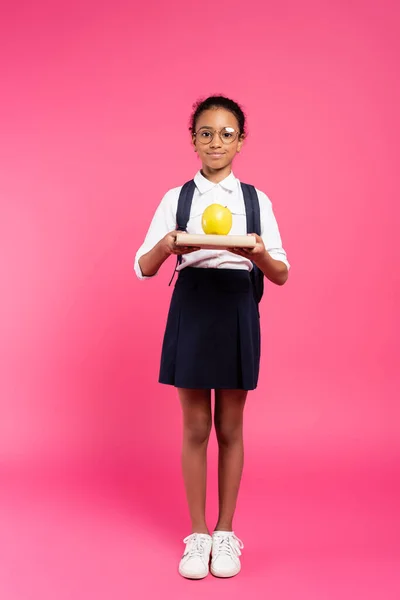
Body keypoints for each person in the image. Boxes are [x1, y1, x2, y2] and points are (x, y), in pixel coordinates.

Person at [134, 95, 290, 579]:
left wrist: (259, 253)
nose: (216, 141)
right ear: (193, 140)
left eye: (227, 133)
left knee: (230, 426)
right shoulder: (175, 199)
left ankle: (225, 533)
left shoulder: (255, 201)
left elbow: (281, 272)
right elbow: (143, 266)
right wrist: (169, 242)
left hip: (237, 305)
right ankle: (197, 533)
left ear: (241, 141)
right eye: (206, 132)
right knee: (196, 426)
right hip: (194, 305)